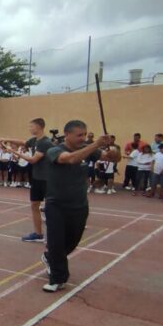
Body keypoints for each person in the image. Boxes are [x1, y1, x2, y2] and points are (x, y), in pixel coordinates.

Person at [40, 122, 113, 292]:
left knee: (72, 242)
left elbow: (111, 158)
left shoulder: (89, 150)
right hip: (56, 204)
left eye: (85, 134)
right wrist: (96, 144)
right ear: (67, 134)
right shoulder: (54, 150)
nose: (83, 138)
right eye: (79, 135)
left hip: (79, 204)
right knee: (57, 242)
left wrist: (111, 149)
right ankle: (58, 279)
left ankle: (50, 257)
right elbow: (71, 159)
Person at [0, 118, 51, 243]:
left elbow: (33, 160)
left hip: (47, 179)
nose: (30, 129)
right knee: (34, 205)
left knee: (52, 208)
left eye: (31, 126)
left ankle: (59, 233)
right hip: (37, 178)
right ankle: (38, 234)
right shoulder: (34, 140)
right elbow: (23, 142)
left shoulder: (45, 142)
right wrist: (6, 139)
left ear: (39, 127)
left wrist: (13, 151)